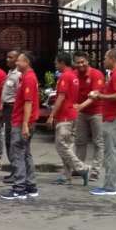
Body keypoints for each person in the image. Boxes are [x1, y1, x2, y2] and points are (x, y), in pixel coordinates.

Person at [90, 48, 116, 196]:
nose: (103, 60)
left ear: (112, 59)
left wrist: (100, 96)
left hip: (115, 117)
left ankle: (110, 186)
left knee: (111, 152)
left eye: (105, 58)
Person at [46, 52, 89, 186]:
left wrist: (52, 115)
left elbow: (61, 97)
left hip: (65, 116)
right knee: (68, 146)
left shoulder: (65, 76)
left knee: (61, 145)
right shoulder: (74, 76)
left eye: (56, 62)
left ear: (61, 63)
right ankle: (67, 176)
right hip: (72, 115)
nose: (55, 65)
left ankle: (82, 168)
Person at [1, 52, 40, 200]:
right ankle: (30, 186)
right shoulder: (27, 77)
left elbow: (28, 102)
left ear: (27, 62)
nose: (16, 63)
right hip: (24, 121)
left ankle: (19, 188)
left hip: (22, 122)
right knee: (25, 154)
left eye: (19, 61)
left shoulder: (29, 78)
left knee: (17, 153)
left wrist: (24, 124)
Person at [73, 50, 105, 182]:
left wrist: (79, 106)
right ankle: (80, 168)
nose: (80, 65)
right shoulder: (74, 74)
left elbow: (95, 95)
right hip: (81, 113)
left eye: (83, 62)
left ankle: (95, 171)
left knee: (98, 142)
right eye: (78, 62)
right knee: (80, 141)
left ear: (88, 61)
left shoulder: (96, 74)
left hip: (97, 111)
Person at [0, 50, 21, 183]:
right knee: (8, 140)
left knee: (13, 141)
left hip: (13, 108)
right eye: (7, 57)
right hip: (7, 108)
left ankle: (17, 172)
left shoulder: (19, 75)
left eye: (10, 57)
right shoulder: (10, 73)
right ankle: (14, 170)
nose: (7, 59)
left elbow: (19, 96)